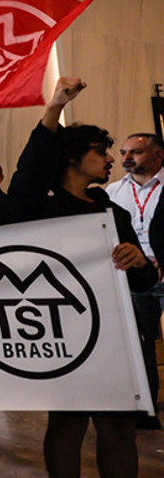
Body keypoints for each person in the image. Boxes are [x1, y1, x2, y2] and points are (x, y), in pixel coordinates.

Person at [8, 78, 156, 478]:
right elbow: (32, 166)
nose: (110, 160)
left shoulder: (115, 214)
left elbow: (141, 284)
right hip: (64, 333)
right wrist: (55, 107)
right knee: (67, 424)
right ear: (73, 158)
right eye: (100, 152)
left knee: (119, 427)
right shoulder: (38, 205)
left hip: (115, 333)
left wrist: (140, 263)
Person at [105, 132, 164, 430]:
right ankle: (147, 411)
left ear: (158, 155)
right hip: (137, 277)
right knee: (141, 345)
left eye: (136, 152)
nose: (127, 158)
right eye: (125, 152)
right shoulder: (113, 192)